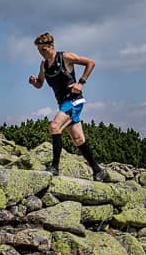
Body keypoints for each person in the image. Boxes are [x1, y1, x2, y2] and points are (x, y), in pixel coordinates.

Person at [28, 32, 106, 180]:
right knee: (78, 139)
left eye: (43, 49)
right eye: (38, 50)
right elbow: (40, 83)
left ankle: (55, 167)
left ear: (51, 46)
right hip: (62, 103)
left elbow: (91, 63)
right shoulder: (44, 65)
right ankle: (98, 170)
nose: (41, 53)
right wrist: (34, 82)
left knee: (54, 126)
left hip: (74, 100)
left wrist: (81, 83)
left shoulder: (65, 57)